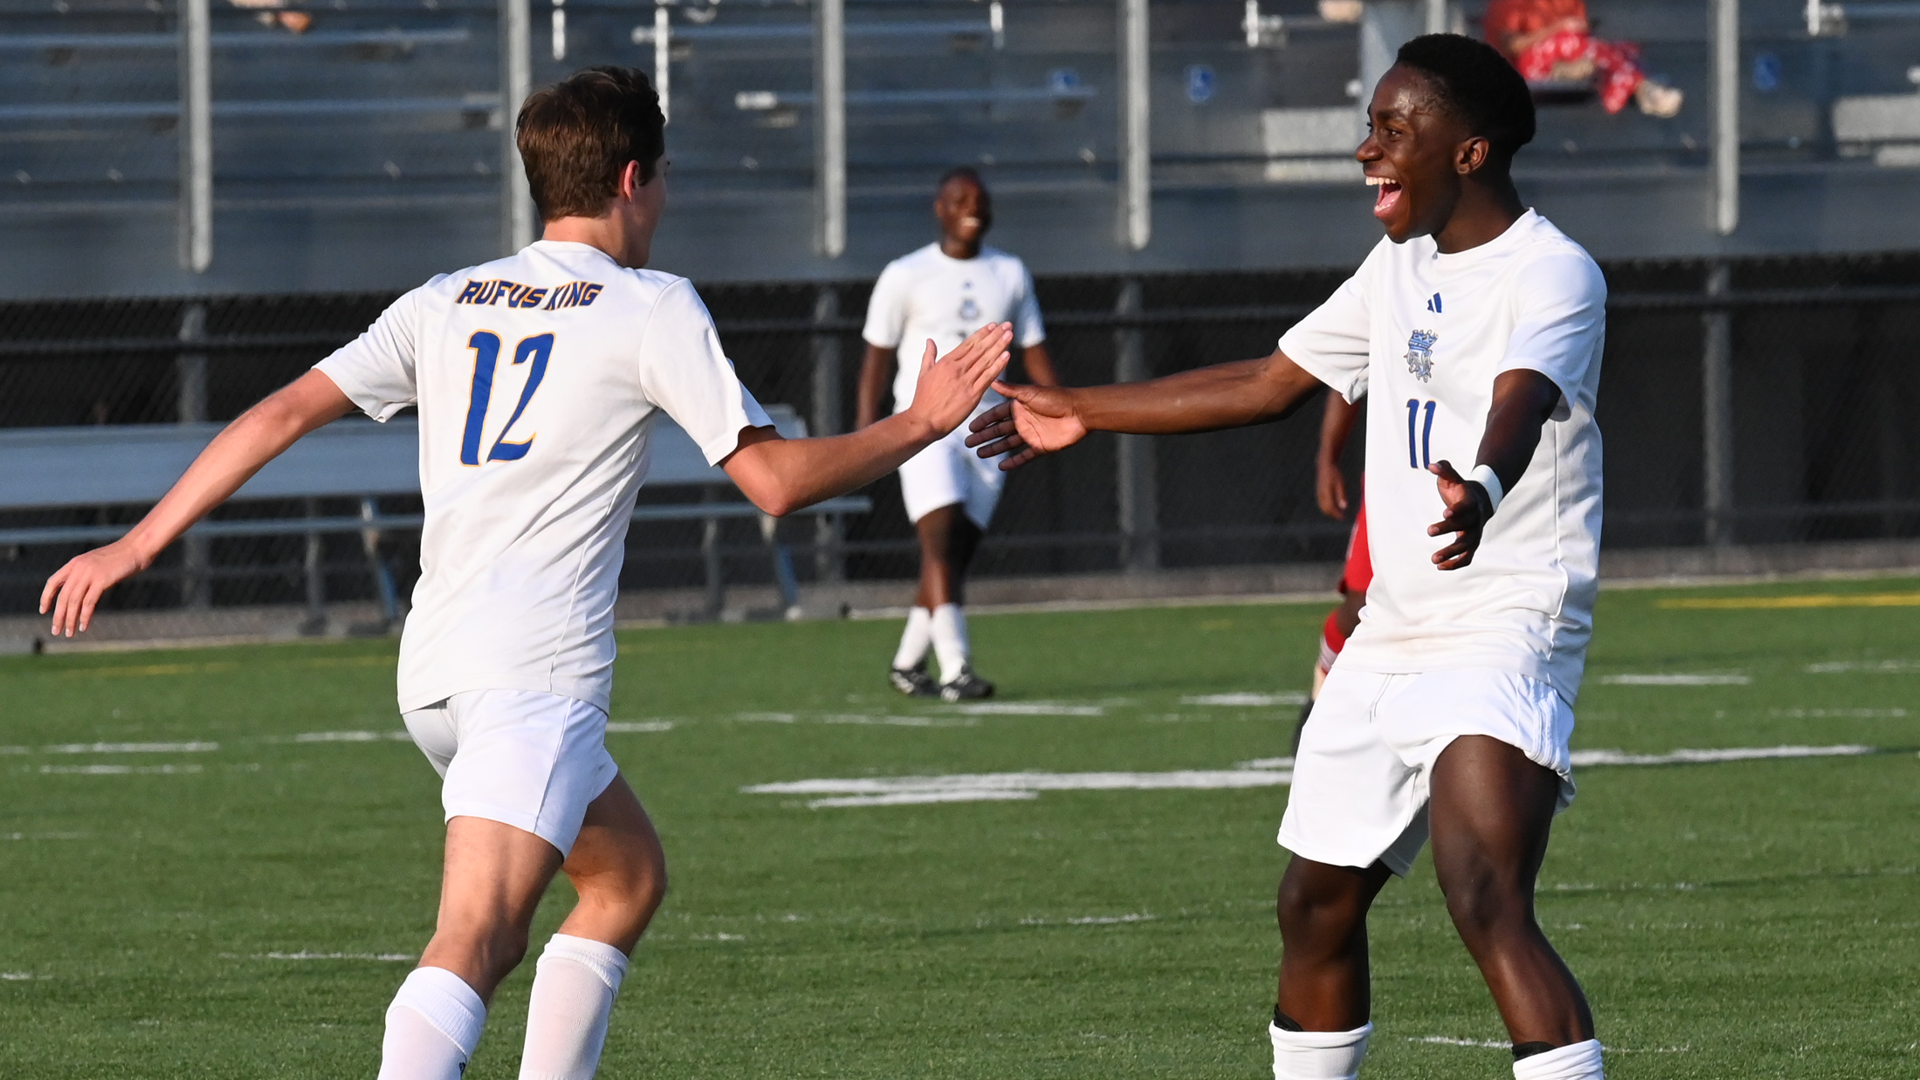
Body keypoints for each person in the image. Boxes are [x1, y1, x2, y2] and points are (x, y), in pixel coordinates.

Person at [39, 67, 1012, 1080]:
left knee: (626, 879)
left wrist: (138, 542)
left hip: (437, 675)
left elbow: (279, 410)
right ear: (634, 178)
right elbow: (773, 483)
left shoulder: (445, 299)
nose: (666, 200)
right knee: (477, 938)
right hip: (532, 679)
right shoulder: (651, 305)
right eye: (665, 178)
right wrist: (921, 423)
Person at [970, 34, 1607, 1080]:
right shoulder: (1396, 263)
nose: (1368, 149)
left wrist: (1481, 487)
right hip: (1387, 635)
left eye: (1395, 129)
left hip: (1504, 626)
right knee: (1314, 903)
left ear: (1470, 152)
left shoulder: (1554, 271)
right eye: (1370, 126)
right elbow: (1270, 381)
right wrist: (1078, 408)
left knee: (1483, 894)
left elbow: (1523, 399)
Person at [856, 167, 1056, 702]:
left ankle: (905, 664)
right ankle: (957, 668)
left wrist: (1065, 407)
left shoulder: (1010, 272)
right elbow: (876, 355)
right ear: (939, 209)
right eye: (961, 199)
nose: (973, 207)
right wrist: (868, 429)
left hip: (990, 426)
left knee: (953, 555)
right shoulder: (906, 273)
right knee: (940, 542)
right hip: (925, 425)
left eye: (982, 199)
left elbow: (1033, 348)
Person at [1295, 392, 1370, 751]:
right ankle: (1326, 672)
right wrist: (1328, 458)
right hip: (1399, 478)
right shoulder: (1390, 332)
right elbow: (1351, 371)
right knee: (1362, 607)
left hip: (1477, 477)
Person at [1484, 0, 1682, 118]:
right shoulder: (1511, 4)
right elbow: (1512, 46)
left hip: (1570, 64)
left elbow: (1581, 39)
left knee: (1621, 49)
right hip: (1523, 72)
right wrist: (1558, 28)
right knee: (1606, 52)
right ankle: (1641, 87)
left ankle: (1631, 84)